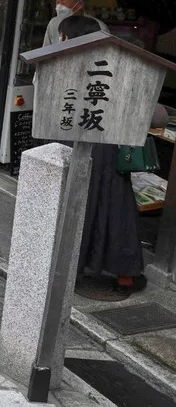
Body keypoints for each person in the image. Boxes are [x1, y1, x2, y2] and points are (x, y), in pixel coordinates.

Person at [59, 15, 150, 298]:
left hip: (86, 147)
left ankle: (74, 269)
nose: (60, 41)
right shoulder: (109, 66)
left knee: (83, 209)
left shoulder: (68, 66)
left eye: (64, 36)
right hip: (106, 148)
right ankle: (121, 273)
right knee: (113, 210)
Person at [43, 0, 108, 46]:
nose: (59, 7)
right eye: (58, 3)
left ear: (79, 5)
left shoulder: (98, 28)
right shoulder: (53, 23)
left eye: (63, 3)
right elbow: (44, 51)